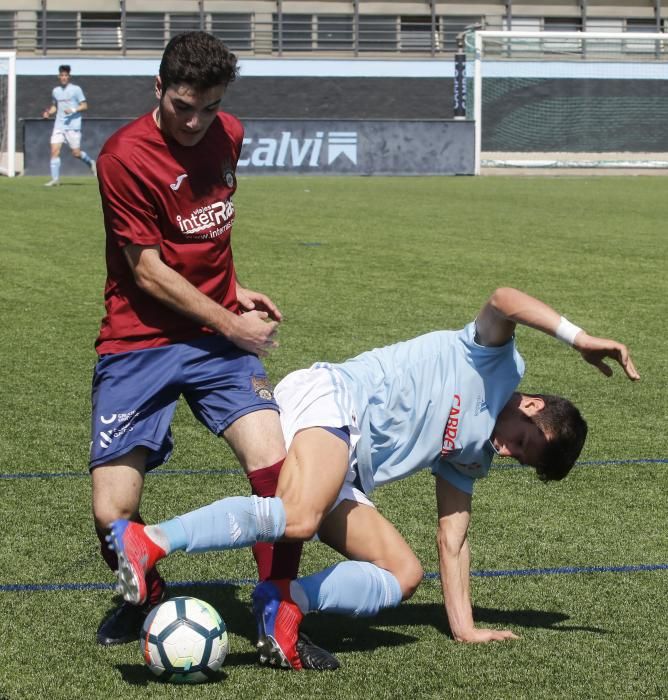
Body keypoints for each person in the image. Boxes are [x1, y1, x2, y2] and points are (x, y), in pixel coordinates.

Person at [107, 287, 639, 669]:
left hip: (347, 463)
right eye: (523, 441)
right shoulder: (495, 359)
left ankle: (285, 601)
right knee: (300, 517)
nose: (509, 451)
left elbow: (452, 538)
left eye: (520, 459)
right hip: (334, 400)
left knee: (402, 574)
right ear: (531, 405)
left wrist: (464, 626)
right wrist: (579, 337)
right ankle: (150, 539)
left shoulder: (475, 457)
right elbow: (503, 298)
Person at [90, 31, 336, 671]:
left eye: (208, 107)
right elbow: (146, 270)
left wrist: (233, 291)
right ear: (158, 90)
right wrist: (230, 321)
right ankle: (150, 597)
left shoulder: (231, 133)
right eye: (181, 107)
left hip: (213, 337)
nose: (196, 122)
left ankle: (274, 617)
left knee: (278, 470)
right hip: (138, 340)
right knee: (112, 513)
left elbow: (207, 238)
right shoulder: (121, 157)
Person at [41, 65, 96, 186]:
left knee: (76, 153)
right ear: (59, 76)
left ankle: (91, 163)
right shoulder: (55, 91)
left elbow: (84, 105)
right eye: (62, 75)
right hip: (59, 126)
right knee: (54, 150)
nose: (64, 77)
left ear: (69, 77)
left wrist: (73, 109)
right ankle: (55, 180)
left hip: (73, 126)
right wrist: (48, 113)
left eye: (66, 75)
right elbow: (55, 106)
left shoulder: (76, 89)